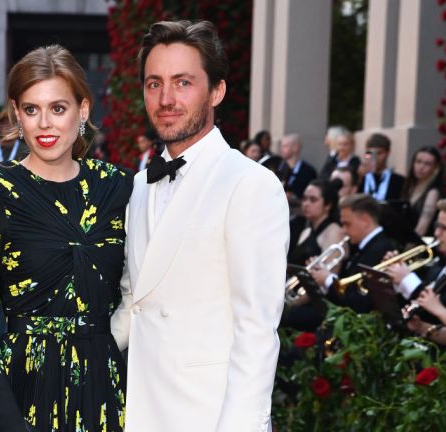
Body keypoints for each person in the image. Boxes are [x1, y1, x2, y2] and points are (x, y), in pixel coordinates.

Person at [0, 45, 132, 432]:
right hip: (18, 390)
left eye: (58, 108)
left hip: (101, 390)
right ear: (16, 114)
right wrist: (9, 418)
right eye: (32, 109)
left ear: (83, 110)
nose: (45, 124)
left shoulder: (118, 187)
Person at [111, 20, 288, 432]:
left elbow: (256, 330)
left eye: (183, 82)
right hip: (144, 408)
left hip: (208, 415)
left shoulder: (250, 184)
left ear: (217, 91)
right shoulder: (139, 185)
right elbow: (135, 300)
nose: (166, 98)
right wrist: (72, 353)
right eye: (154, 83)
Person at [310, 194, 397, 313]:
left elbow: (360, 303)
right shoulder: (363, 246)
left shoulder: (381, 249)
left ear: (365, 221)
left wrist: (328, 279)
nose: (343, 230)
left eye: (347, 224)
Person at [385, 198, 446, 346]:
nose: (436, 233)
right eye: (437, 226)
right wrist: (421, 327)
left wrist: (438, 309)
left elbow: (436, 306)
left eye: (445, 228)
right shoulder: (440, 264)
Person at [284, 179, 345, 330]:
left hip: (316, 305)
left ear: (328, 205)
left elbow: (324, 283)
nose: (305, 204)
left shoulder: (334, 232)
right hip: (295, 297)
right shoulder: (305, 231)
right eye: (304, 198)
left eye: (313, 200)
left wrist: (289, 305)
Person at [401, 146, 443, 237]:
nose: (421, 167)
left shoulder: (433, 192)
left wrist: (408, 244)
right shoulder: (410, 186)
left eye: (427, 164)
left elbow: (422, 229)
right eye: (418, 161)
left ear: (435, 168)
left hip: (419, 241)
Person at [358, 133, 405, 202]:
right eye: (370, 153)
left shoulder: (399, 182)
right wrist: (359, 179)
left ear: (388, 152)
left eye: (379, 153)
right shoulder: (360, 178)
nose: (375, 158)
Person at [278, 133, 317, 200]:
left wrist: (295, 198)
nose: (281, 150)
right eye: (281, 146)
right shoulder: (278, 168)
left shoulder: (309, 171)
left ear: (296, 147)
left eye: (285, 146)